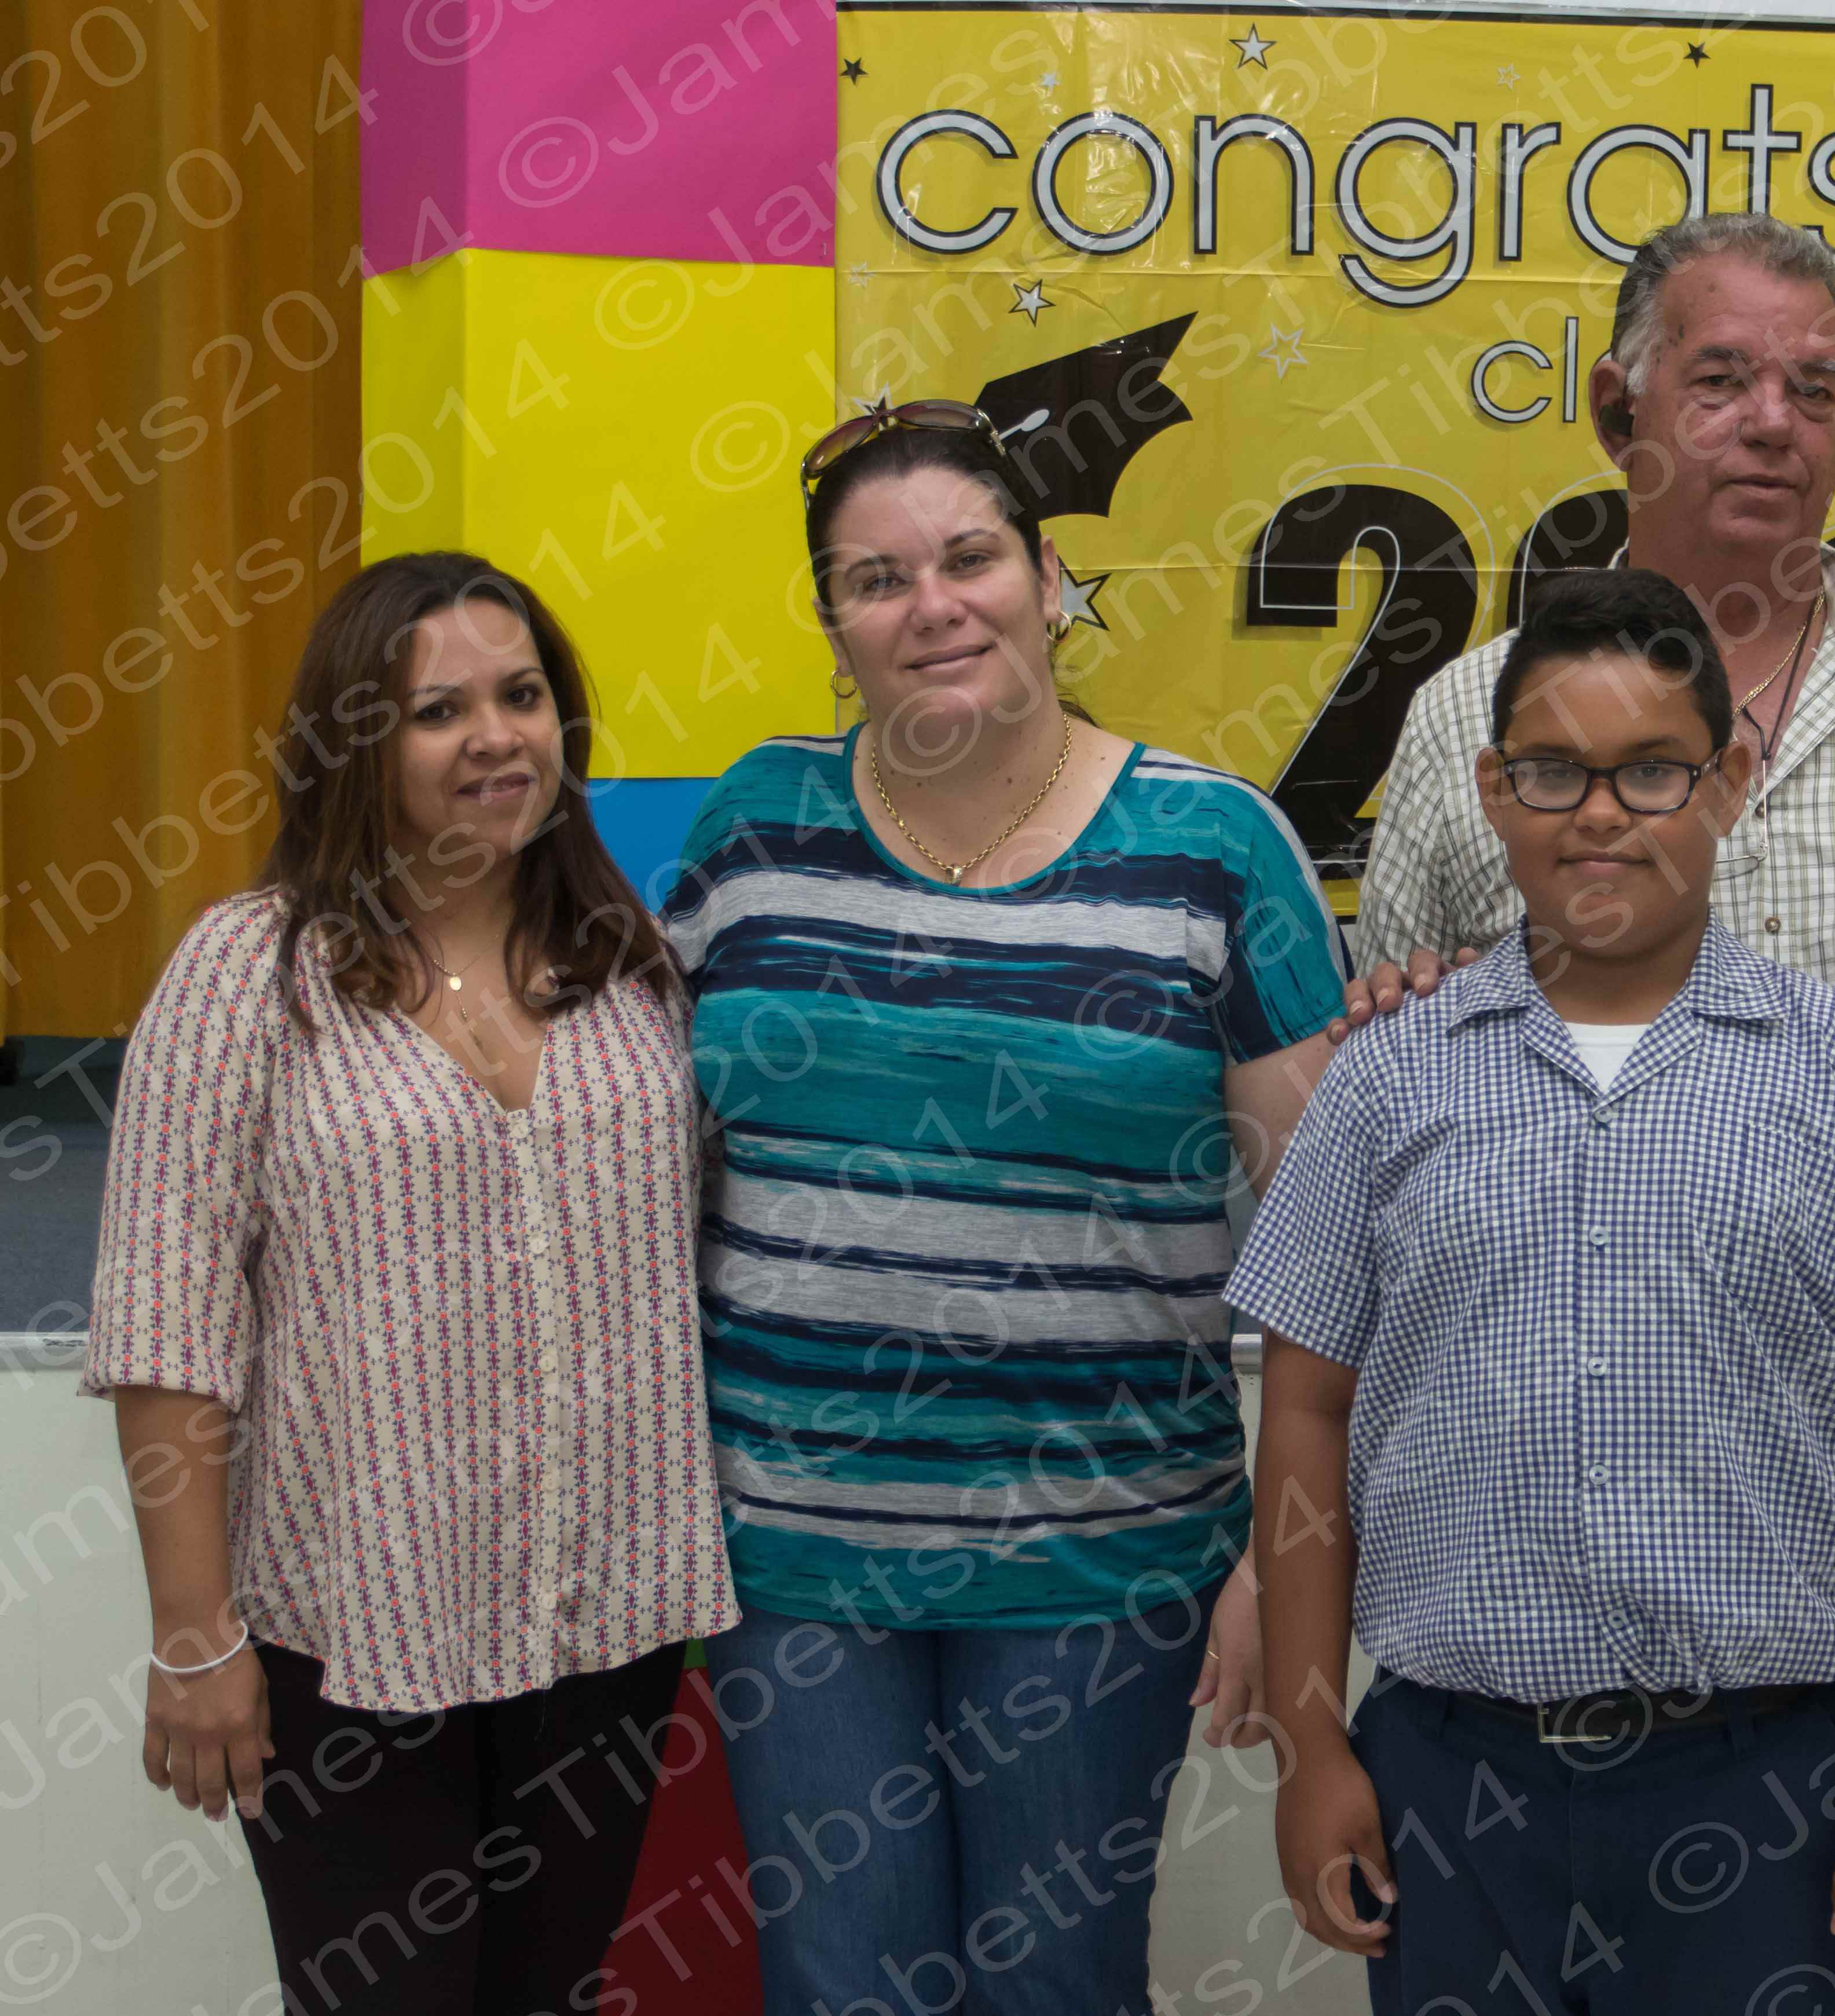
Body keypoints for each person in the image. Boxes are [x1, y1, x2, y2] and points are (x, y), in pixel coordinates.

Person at [1344, 210, 1835, 2014]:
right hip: (1585, 1526)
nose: (1776, 421)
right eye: (1721, 381)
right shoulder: (1466, 716)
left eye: (1815, 388)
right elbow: (1380, 1077)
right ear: (1615, 411)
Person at [1235, 572, 1835, 2011]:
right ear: (1491, 789)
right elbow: (1304, 1412)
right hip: (1448, 1781)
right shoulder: (1390, 1075)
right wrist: (1309, 1743)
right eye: (1552, 770)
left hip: (1768, 1780)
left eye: (1652, 771)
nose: (1599, 814)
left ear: (1728, 783)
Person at [662, 397, 1349, 2014]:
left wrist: (1281, 1561)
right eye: (877, 579)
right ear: (834, 623)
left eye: (968, 558)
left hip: (1102, 1562)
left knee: (1055, 1984)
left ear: (1048, 580)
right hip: (791, 1554)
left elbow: (1330, 1253)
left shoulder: (1212, 845)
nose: (932, 606)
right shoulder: (752, 824)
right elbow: (646, 1174)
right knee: (841, 1986)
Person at [87, 551, 738, 2014]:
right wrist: (194, 1636)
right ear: (354, 745)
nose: (495, 738)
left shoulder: (632, 966)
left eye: (523, 697)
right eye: (438, 711)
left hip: (605, 1622)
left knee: (548, 1994)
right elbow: (165, 1330)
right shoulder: (249, 974)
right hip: (350, 1635)